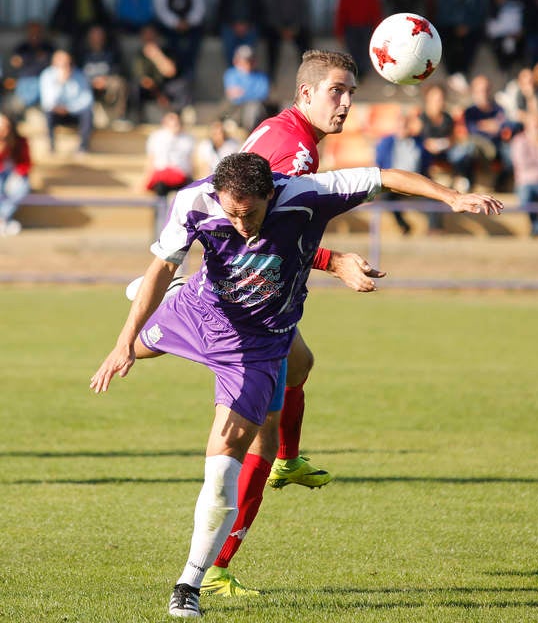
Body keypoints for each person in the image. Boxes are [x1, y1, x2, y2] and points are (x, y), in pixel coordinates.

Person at [90, 150, 502, 619]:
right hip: (198, 313)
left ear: (271, 193)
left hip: (257, 347)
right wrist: (122, 343)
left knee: (223, 461)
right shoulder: (195, 200)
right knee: (139, 347)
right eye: (232, 213)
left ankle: (189, 582)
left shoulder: (310, 193)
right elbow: (160, 264)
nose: (242, 224)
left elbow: (385, 176)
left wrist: (450, 197)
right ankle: (177, 298)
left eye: (250, 213)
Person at [154, 0, 206, 79]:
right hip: (170, 25)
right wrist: (175, 22)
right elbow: (161, 9)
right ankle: (174, 72)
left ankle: (189, 72)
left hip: (190, 24)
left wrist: (188, 21)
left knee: (195, 41)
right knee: (172, 44)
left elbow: (200, 7)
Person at [375, 109, 423, 234]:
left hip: (416, 182)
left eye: (405, 125)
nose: (402, 128)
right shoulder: (386, 143)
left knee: (435, 197)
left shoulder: (418, 142)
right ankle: (403, 225)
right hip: (393, 183)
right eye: (400, 125)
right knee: (386, 198)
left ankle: (436, 230)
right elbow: (379, 163)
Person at [435, 0, 485, 79]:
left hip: (469, 28)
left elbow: (479, 14)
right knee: (445, 41)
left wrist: (468, 26)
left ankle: (463, 73)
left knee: (472, 41)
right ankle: (451, 73)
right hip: (448, 27)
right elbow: (441, 13)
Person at [39, 50, 94, 154]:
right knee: (48, 113)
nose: (66, 67)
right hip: (56, 113)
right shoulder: (47, 75)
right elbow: (47, 102)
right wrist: (60, 83)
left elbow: (87, 100)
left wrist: (70, 108)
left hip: (74, 112)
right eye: (62, 64)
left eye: (68, 64)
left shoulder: (80, 75)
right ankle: (51, 147)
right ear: (54, 63)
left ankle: (83, 148)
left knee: (88, 114)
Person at [131, 25, 190, 121]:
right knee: (135, 88)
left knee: (182, 85)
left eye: (151, 34)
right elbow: (143, 80)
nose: (149, 37)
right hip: (151, 90)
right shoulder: (139, 56)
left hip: (167, 87)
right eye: (146, 34)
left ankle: (178, 117)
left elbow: (170, 71)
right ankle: (137, 118)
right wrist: (159, 95)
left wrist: (156, 55)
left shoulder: (167, 51)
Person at [265, 0, 312, 82]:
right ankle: (271, 79)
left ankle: (306, 77)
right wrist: (281, 29)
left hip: (296, 29)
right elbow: (271, 13)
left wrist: (294, 28)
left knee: (306, 44)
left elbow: (304, 12)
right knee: (271, 44)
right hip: (277, 29)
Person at [214, 0, 266, 67]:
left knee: (248, 53)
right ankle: (233, 74)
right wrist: (234, 25)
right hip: (230, 26)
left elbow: (260, 12)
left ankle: (246, 73)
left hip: (249, 27)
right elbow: (221, 10)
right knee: (229, 49)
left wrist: (247, 25)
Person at [334, 0, 383, 80]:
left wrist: (378, 33)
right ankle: (356, 72)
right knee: (353, 48)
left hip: (367, 28)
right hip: (351, 28)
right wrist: (339, 33)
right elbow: (340, 14)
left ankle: (363, 72)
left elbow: (377, 15)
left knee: (367, 48)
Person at [76, 25, 129, 128]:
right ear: (88, 37)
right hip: (87, 85)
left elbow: (119, 70)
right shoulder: (81, 54)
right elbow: (76, 72)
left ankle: (119, 116)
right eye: (94, 35)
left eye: (99, 35)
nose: (97, 38)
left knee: (119, 83)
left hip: (107, 85)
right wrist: (92, 81)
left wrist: (105, 80)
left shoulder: (112, 53)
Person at [1, 20, 55, 114]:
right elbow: (15, 62)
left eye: (38, 32)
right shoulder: (22, 47)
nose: (35, 35)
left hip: (44, 79)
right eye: (32, 32)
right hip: (26, 79)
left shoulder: (48, 47)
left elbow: (55, 62)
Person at [142, 111, 195, 198]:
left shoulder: (188, 139)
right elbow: (151, 160)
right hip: (161, 179)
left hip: (182, 176)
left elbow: (190, 162)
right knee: (160, 190)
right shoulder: (156, 137)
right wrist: (146, 180)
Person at [485, 0, 526, 73]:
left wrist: (522, 31)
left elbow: (528, 18)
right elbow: (490, 18)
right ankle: (505, 72)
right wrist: (499, 1)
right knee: (504, 46)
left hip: (517, 35)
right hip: (498, 35)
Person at [222, 45, 270, 132]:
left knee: (253, 106)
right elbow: (232, 96)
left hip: (254, 110)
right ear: (236, 60)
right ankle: (230, 122)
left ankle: (248, 131)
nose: (248, 63)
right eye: (244, 60)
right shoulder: (231, 74)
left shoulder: (261, 76)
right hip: (235, 109)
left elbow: (263, 94)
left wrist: (242, 94)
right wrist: (249, 94)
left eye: (250, 60)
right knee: (227, 103)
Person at [0, 113, 31, 236]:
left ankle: (3, 218)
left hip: (14, 175)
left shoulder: (20, 141)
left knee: (21, 187)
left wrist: (17, 175)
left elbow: (25, 163)